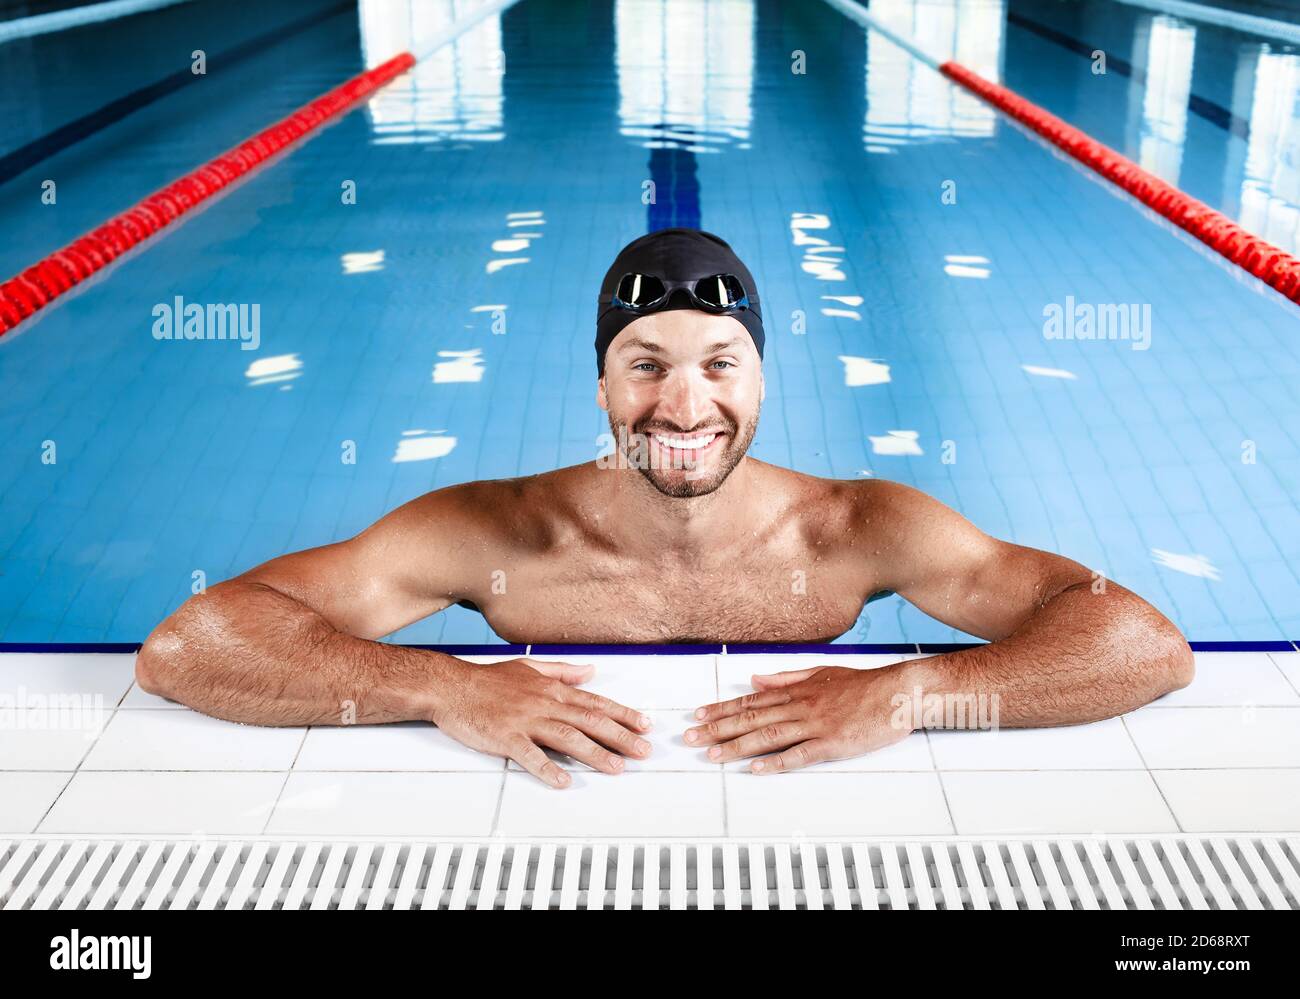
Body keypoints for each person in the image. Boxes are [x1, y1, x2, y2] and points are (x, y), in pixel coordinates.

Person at [136, 228, 1193, 788]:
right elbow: (188, 648)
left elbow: (1140, 642)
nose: (684, 407)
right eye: (645, 365)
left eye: (719, 365)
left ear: (764, 379)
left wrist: (908, 694)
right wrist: (439, 686)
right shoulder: (485, 532)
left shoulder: (862, 528)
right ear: (600, 386)